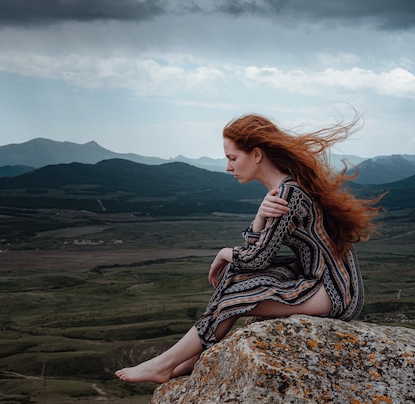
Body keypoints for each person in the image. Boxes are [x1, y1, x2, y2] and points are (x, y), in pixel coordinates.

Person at [115, 113, 383, 384]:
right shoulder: (284, 189)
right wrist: (258, 218)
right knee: (236, 276)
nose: (228, 167)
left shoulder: (287, 194)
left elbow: (255, 258)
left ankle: (165, 364)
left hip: (336, 291)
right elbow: (254, 255)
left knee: (235, 295)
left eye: (233, 158)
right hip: (320, 280)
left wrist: (223, 252)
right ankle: (190, 356)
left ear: (256, 154)